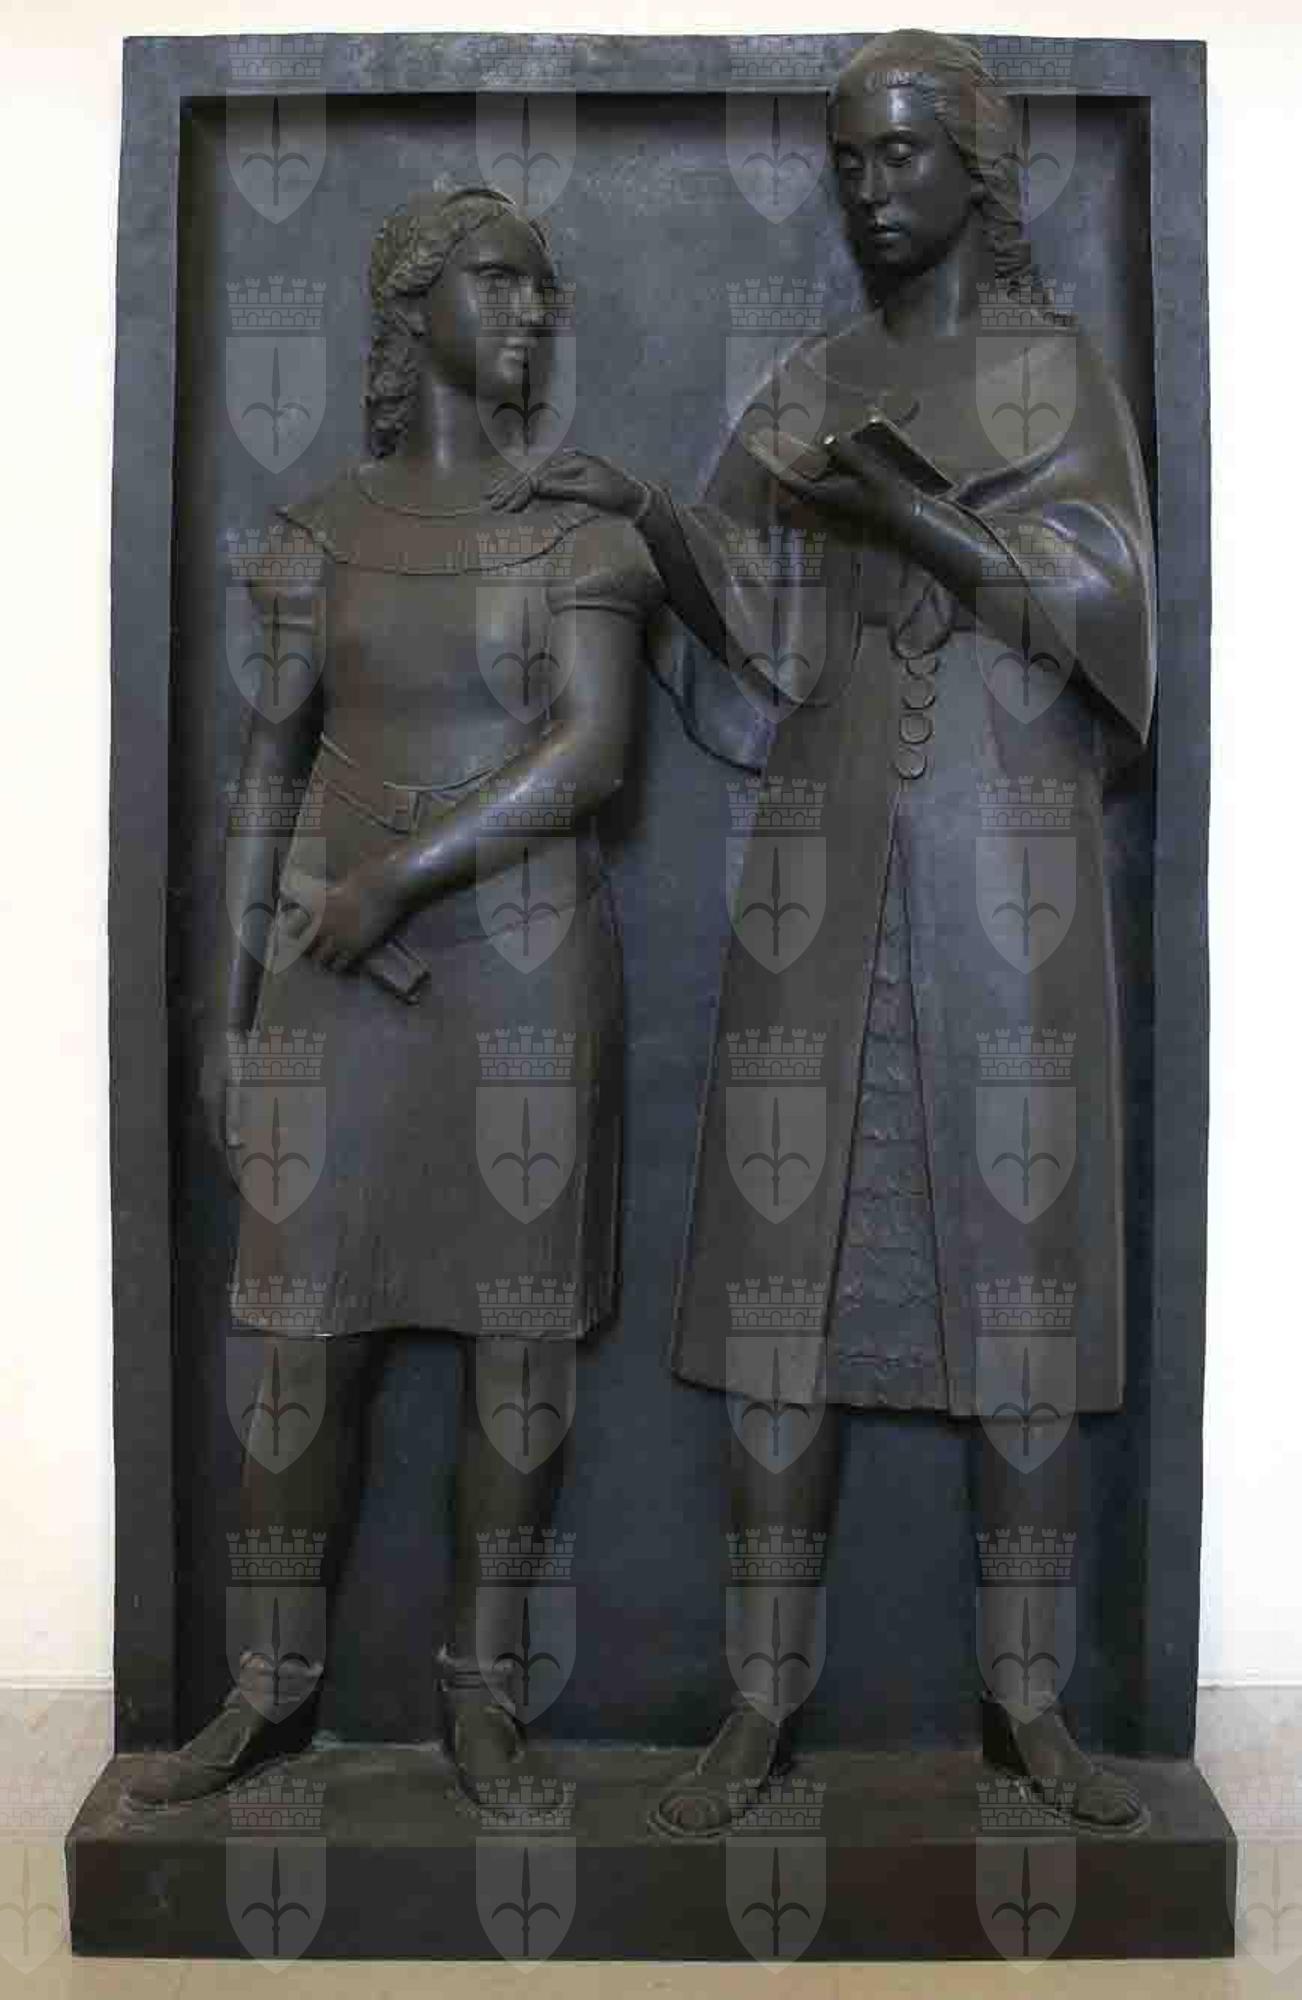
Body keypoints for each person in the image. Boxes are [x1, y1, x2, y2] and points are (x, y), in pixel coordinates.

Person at [495, 31, 1155, 1836]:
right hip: (828, 841)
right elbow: (761, 627)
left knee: (1020, 1281)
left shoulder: (1053, 373)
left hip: (1005, 855)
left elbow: (1114, 618)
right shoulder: (813, 379)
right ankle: (759, 1703)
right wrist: (652, 513)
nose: (868, 189)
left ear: (974, 171)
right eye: (846, 160)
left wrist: (916, 521)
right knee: (783, 1274)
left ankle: (1030, 1707)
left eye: (899, 155)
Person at [129, 186, 661, 1808]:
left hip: (520, 968)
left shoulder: (582, 534)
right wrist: (226, 1017)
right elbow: (264, 776)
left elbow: (592, 753)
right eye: (495, 280)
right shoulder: (315, 538)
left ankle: (480, 1701)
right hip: (330, 987)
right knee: (302, 1339)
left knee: (519, 1343)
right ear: (411, 303)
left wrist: (394, 881)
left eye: (541, 290)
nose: (526, 312)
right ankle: (266, 1691)